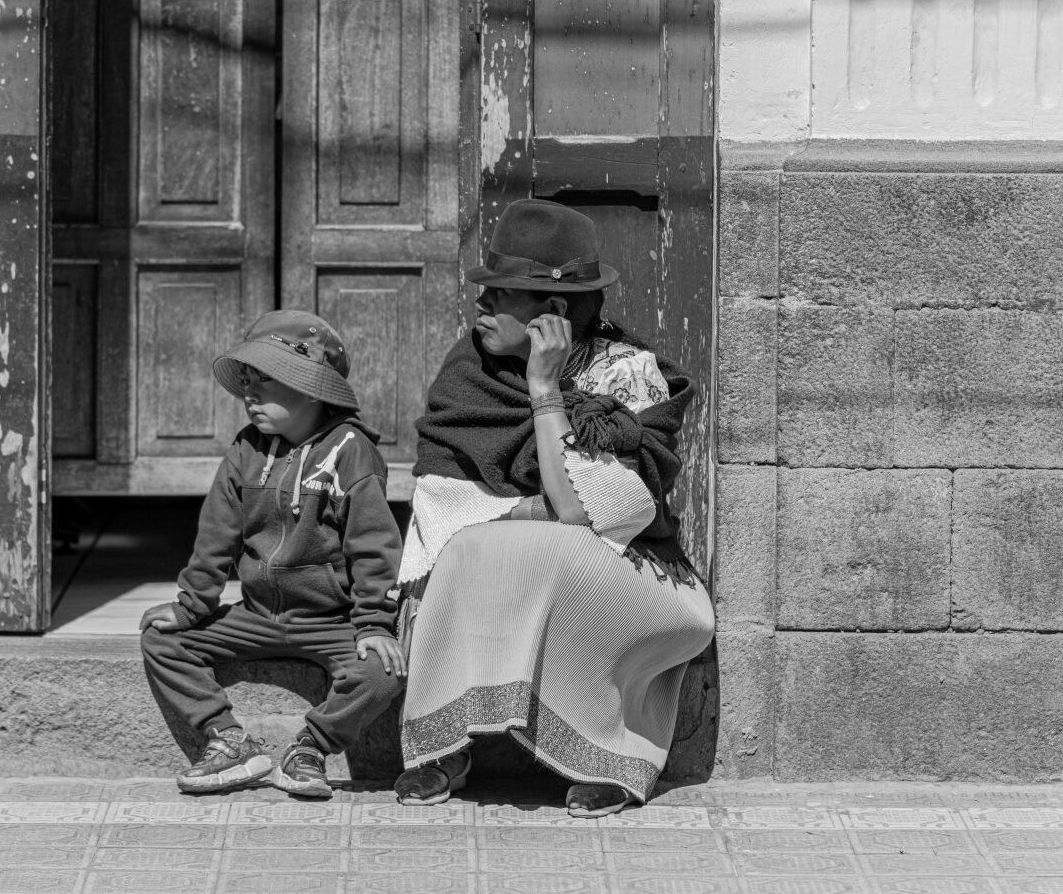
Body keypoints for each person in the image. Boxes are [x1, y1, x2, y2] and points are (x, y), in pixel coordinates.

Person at [393, 198, 716, 817]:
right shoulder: (470, 371)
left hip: (638, 580)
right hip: (517, 564)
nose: (480, 307)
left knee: (556, 549)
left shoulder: (625, 376)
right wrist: (518, 515)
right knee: (470, 547)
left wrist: (545, 392)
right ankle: (443, 745)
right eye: (483, 293)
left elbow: (582, 515)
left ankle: (607, 754)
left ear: (554, 312)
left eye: (500, 295)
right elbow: (441, 507)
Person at [140, 309, 406, 799]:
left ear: (310, 388)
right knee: (160, 639)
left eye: (266, 382)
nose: (249, 395)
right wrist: (190, 606)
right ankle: (229, 741)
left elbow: (374, 545)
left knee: (382, 672)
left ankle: (310, 748)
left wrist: (372, 622)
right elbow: (216, 536)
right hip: (258, 614)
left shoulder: (350, 451)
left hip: (333, 620)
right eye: (246, 382)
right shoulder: (247, 449)